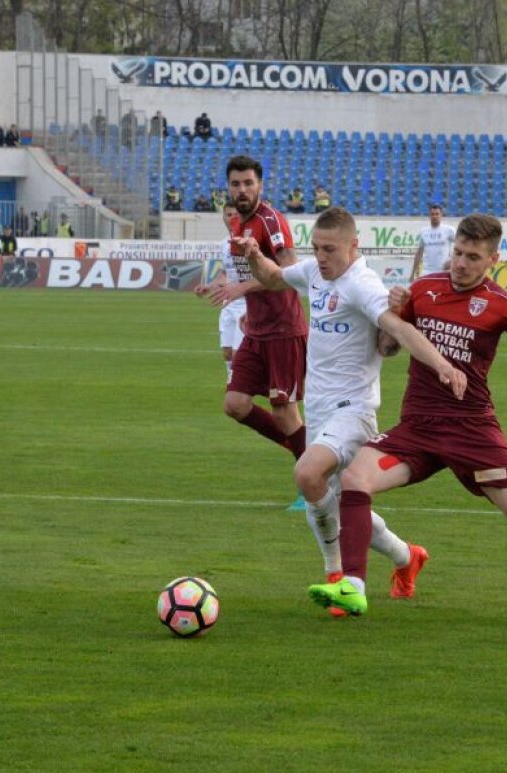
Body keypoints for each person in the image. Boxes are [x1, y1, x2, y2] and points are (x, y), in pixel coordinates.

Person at [307, 213, 507, 624]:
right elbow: (387, 348)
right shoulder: (424, 290)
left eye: (472, 257)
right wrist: (397, 311)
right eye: (458, 252)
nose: (460, 263)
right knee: (354, 479)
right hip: (418, 429)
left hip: (473, 431)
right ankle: (353, 587)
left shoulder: (503, 305)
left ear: (492, 259)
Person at [240, 206, 467, 613]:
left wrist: (442, 365)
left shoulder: (363, 285)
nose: (321, 257)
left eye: (330, 249)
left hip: (354, 410)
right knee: (340, 502)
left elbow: (399, 329)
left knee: (307, 475)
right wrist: (255, 256)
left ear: (353, 245)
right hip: (322, 410)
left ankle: (337, 577)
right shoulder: (314, 273)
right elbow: (273, 278)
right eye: (316, 248)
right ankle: (406, 557)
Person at [193, 154, 307, 510]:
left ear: (260, 185)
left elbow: (288, 272)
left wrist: (241, 290)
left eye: (248, 183)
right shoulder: (239, 226)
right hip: (257, 329)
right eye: (235, 184)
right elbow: (243, 273)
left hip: (284, 330)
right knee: (236, 404)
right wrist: (222, 286)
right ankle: (305, 449)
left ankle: (314, 484)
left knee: (284, 410)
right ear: (228, 187)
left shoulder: (271, 221)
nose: (242, 190)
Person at [202, 205, 248, 380]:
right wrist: (210, 286)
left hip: (247, 303)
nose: (232, 217)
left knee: (238, 355)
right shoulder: (223, 244)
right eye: (228, 214)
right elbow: (225, 273)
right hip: (229, 303)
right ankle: (232, 381)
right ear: (223, 217)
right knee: (227, 353)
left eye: (236, 214)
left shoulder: (249, 241)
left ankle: (237, 386)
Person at [411, 203, 456, 280]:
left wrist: (453, 259)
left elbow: (460, 245)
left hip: (444, 271)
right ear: (429, 216)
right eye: (432, 214)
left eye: (437, 214)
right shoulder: (423, 232)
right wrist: (412, 273)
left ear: (441, 215)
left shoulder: (449, 230)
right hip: (427, 272)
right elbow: (419, 253)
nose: (434, 216)